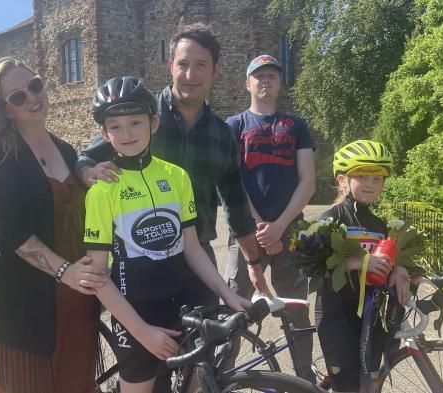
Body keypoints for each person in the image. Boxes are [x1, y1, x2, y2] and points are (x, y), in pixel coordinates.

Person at [81, 76, 252, 393]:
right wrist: (142, 331)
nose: (127, 133)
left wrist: (227, 294)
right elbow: (97, 275)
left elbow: (192, 248)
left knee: (196, 382)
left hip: (187, 300)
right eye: (115, 126)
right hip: (137, 310)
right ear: (103, 134)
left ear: (154, 122)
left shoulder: (176, 176)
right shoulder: (102, 191)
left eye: (135, 122)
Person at [75, 23, 269, 294]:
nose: (190, 74)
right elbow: (85, 160)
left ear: (217, 68)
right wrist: (88, 173)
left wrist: (253, 261)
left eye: (201, 64)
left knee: (214, 334)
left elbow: (235, 203)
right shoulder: (137, 115)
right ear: (170, 65)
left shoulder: (223, 135)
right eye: (183, 64)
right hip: (139, 257)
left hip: (196, 253)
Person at [0, 56, 107, 393]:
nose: (32, 97)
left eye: (35, 85)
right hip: (20, 308)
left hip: (76, 300)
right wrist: (65, 271)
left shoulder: (67, 150)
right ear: (5, 109)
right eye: (18, 96)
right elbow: (10, 232)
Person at [224, 54, 317, 380]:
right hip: (245, 233)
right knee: (234, 306)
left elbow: (308, 180)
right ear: (247, 83)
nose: (265, 81)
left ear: (279, 83)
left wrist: (279, 227)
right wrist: (260, 225)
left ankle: (304, 378)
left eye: (271, 76)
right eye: (258, 76)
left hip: (290, 232)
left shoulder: (296, 126)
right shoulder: (234, 126)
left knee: (296, 308)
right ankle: (222, 377)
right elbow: (231, 182)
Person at [315, 140, 411, 393]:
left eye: (377, 179)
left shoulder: (379, 224)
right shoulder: (330, 219)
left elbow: (386, 258)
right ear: (342, 179)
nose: (370, 184)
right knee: (346, 386)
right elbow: (313, 266)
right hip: (337, 313)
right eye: (362, 176)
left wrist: (399, 269)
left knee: (369, 382)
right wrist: (358, 262)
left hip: (371, 315)